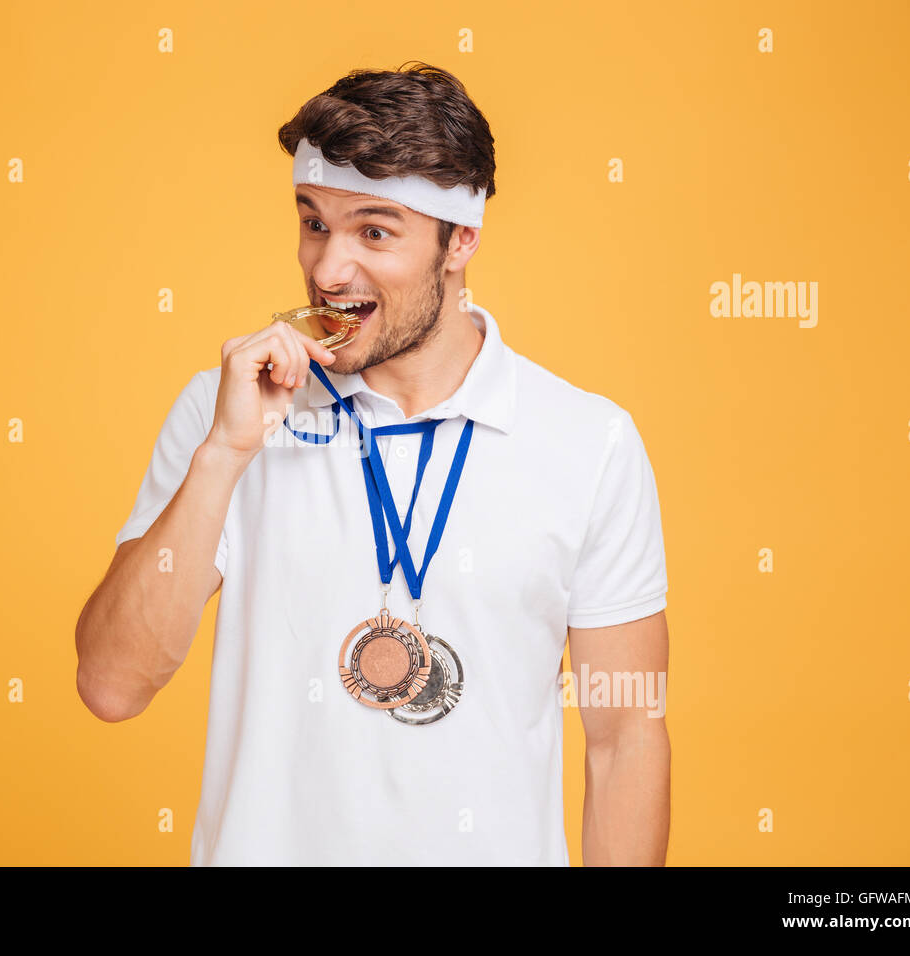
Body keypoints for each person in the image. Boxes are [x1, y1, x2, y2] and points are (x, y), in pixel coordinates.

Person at [76, 61, 671, 866]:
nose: (328, 271)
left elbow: (625, 738)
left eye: (374, 231)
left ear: (460, 241)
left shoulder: (587, 441)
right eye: (314, 222)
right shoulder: (229, 410)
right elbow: (112, 686)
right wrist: (223, 456)